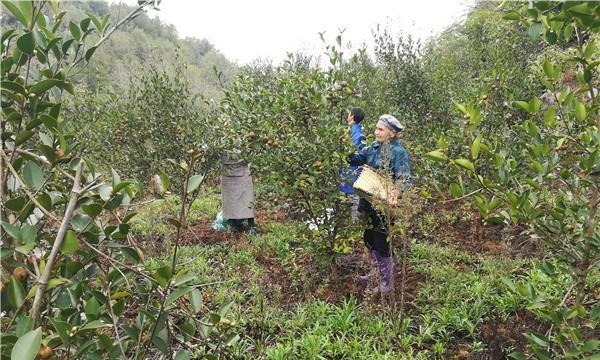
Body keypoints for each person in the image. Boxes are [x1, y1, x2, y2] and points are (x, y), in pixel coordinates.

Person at [349, 114, 411, 293]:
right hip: (367, 200)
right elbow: (357, 158)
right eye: (376, 128)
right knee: (369, 238)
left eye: (380, 129)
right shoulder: (373, 148)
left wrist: (396, 192)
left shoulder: (398, 153)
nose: (376, 132)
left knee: (381, 240)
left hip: (384, 204)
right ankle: (376, 272)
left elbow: (404, 177)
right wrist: (343, 149)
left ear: (391, 134)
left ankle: (387, 282)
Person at [340, 107, 366, 220]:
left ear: (352, 116)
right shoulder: (360, 131)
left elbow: (350, 151)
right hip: (354, 169)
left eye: (349, 113)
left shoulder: (351, 131)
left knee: (351, 197)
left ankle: (351, 223)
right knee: (353, 197)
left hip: (350, 168)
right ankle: (352, 223)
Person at [221, 152, 256, 234]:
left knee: (247, 199)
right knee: (229, 201)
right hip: (227, 170)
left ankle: (251, 224)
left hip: (243, 171)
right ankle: (232, 223)